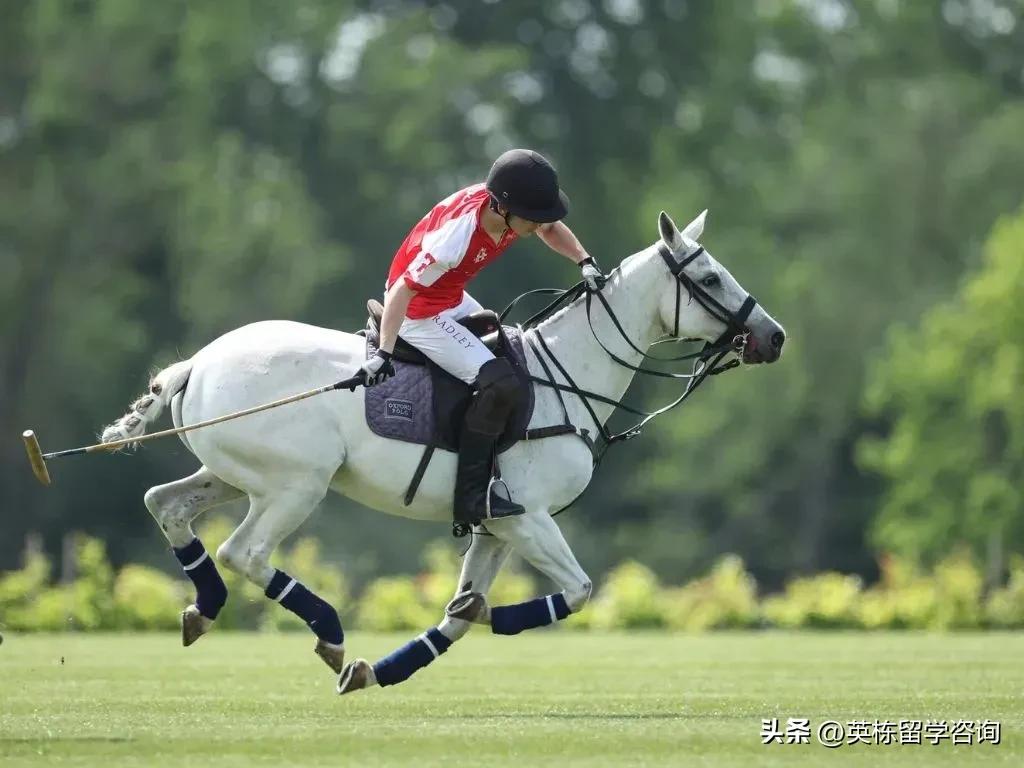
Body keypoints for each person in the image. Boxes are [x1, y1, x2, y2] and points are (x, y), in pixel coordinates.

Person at [359, 149, 605, 523]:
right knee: (499, 383)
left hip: (448, 297)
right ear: (504, 208)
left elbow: (550, 227)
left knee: (511, 354)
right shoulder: (457, 238)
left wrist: (584, 261)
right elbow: (401, 292)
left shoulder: (506, 211)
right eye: (532, 217)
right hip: (418, 312)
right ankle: (473, 498)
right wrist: (384, 354)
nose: (538, 224)